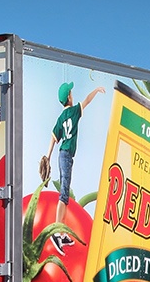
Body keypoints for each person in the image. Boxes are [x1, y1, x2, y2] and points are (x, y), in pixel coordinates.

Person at [44, 82, 105, 252]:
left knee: (65, 194)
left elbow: (53, 138)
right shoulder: (75, 111)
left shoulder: (61, 118)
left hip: (62, 155)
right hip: (66, 156)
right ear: (69, 97)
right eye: (71, 92)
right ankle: (56, 231)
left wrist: (47, 157)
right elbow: (87, 100)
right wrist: (96, 90)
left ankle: (61, 233)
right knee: (64, 194)